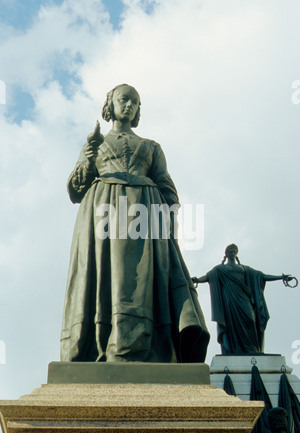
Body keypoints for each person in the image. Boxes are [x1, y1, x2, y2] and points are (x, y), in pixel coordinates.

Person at [60, 84, 210, 363]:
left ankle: (147, 344)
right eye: (124, 100)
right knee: (107, 278)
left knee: (141, 282)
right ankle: (101, 342)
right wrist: (89, 153)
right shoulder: (96, 143)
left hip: (146, 216)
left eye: (135, 102)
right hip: (102, 213)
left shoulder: (151, 147)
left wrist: (169, 229)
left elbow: (167, 188)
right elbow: (75, 190)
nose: (129, 106)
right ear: (111, 105)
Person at [192, 243, 294, 355]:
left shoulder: (244, 269)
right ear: (226, 254)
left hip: (243, 297)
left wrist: (281, 277)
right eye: (230, 251)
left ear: (236, 254)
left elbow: (261, 276)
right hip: (229, 299)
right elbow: (207, 277)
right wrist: (196, 280)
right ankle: (233, 350)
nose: (232, 253)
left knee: (250, 319)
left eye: (234, 251)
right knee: (231, 324)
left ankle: (252, 349)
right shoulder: (220, 269)